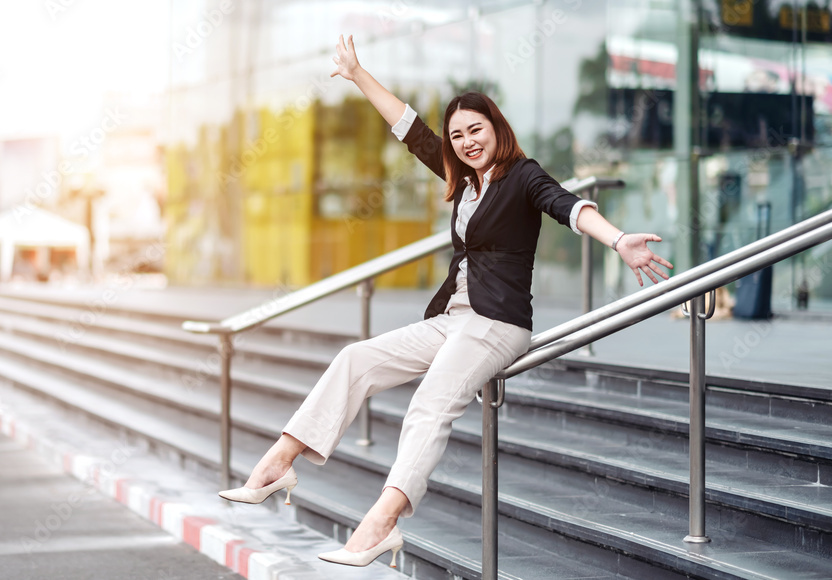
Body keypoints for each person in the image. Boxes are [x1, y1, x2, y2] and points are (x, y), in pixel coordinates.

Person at [219, 34, 673, 568]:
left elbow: (568, 206)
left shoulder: (522, 177)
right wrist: (359, 75)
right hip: (453, 319)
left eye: (474, 130)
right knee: (354, 358)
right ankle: (281, 462)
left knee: (429, 402)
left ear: (497, 129)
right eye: (457, 135)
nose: (464, 141)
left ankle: (382, 523)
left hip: (497, 325)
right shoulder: (462, 182)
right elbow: (411, 130)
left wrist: (618, 239)